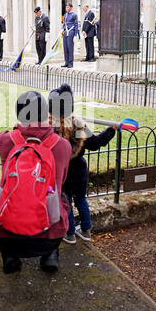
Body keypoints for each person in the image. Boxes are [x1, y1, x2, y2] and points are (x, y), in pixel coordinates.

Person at [0, 90, 72, 274]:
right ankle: (50, 255)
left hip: (5, 235)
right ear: (46, 113)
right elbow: (61, 180)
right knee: (60, 197)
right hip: (48, 235)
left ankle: (10, 257)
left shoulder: (4, 140)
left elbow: (14, 131)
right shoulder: (63, 146)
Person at [48, 83, 116, 244]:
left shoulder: (48, 127)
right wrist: (111, 131)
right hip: (79, 168)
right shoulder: (78, 124)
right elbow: (95, 143)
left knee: (66, 201)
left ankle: (70, 233)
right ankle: (86, 230)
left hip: (61, 171)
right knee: (80, 199)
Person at [62, 2, 78, 68]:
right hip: (66, 32)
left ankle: (70, 63)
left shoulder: (74, 15)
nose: (67, 8)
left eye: (68, 7)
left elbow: (76, 24)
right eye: (66, 7)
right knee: (65, 48)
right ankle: (66, 62)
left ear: (71, 8)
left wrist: (75, 34)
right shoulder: (65, 15)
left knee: (70, 48)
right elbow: (64, 24)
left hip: (71, 31)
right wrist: (62, 29)